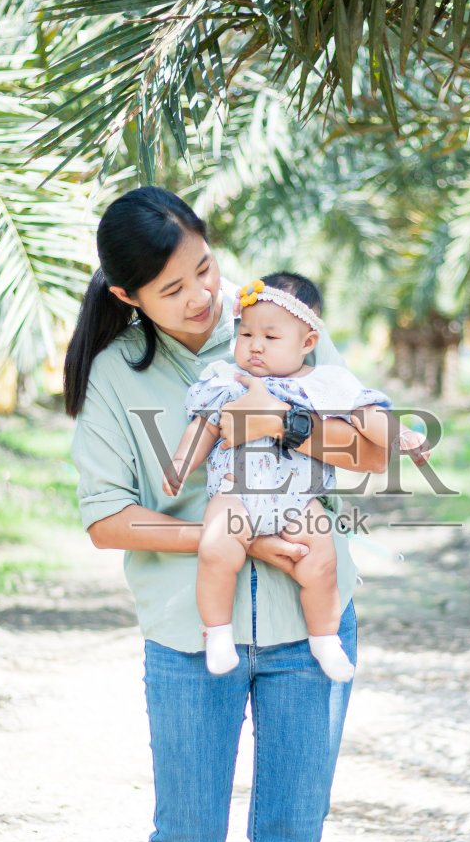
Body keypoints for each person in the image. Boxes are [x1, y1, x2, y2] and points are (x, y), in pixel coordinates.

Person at [65, 187, 426, 842]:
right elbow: (107, 517)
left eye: (205, 270)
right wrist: (232, 542)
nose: (202, 298)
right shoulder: (118, 377)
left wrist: (288, 427)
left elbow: (388, 448)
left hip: (316, 633)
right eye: (173, 288)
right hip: (194, 641)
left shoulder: (279, 329)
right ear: (128, 295)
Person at [162, 272, 395, 681]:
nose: (253, 346)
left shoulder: (324, 384)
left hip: (298, 497)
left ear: (307, 343)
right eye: (245, 333)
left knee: (320, 561)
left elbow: (368, 415)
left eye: (270, 338)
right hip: (235, 491)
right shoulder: (225, 378)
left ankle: (325, 640)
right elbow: (204, 426)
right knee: (216, 549)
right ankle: (217, 633)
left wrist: (403, 435)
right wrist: (181, 463)